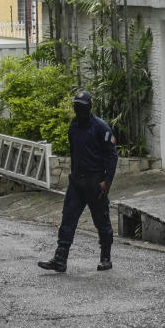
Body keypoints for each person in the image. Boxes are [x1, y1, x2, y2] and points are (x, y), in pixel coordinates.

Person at [38, 90, 118, 273]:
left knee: (102, 220)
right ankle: (60, 259)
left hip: (95, 182)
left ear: (90, 107)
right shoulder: (74, 125)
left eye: (81, 107)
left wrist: (107, 181)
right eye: (76, 107)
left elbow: (112, 156)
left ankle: (106, 258)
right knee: (68, 218)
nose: (78, 110)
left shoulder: (101, 128)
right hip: (77, 181)